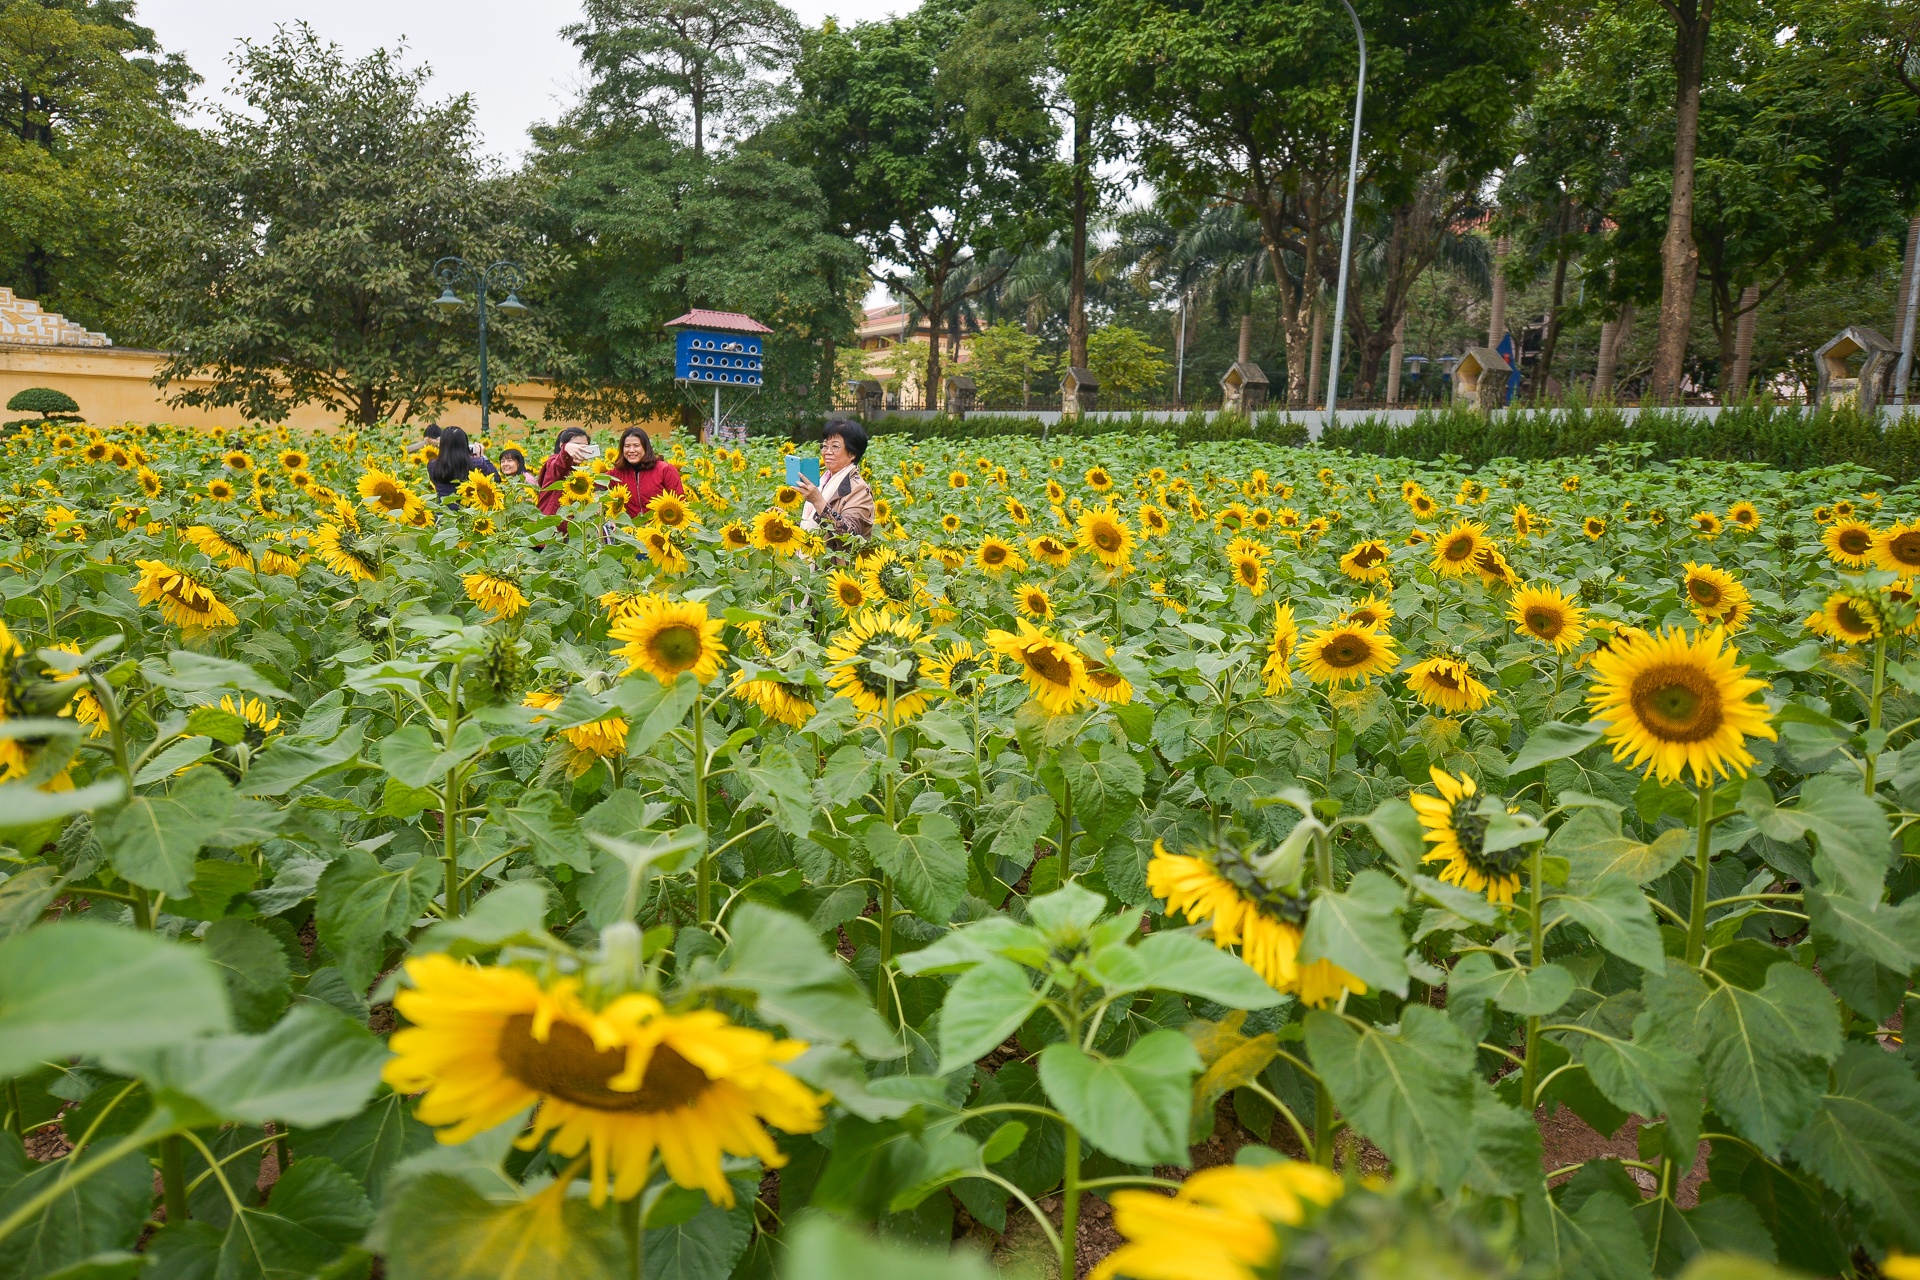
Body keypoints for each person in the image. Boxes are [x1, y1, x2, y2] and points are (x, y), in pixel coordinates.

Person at [795, 419, 874, 540]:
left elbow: (850, 535)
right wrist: (785, 523)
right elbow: (812, 530)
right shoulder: (823, 481)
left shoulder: (859, 489)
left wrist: (818, 501)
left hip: (833, 559)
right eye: (825, 446)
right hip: (812, 557)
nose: (827, 452)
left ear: (852, 453)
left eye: (835, 446)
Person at [606, 427, 685, 517]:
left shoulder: (665, 470)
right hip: (629, 528)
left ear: (645, 447)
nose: (631, 450)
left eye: (636, 445)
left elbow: (680, 502)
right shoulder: (616, 474)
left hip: (660, 528)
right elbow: (596, 486)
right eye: (627, 446)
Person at [536, 427, 593, 517]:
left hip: (572, 526)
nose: (580, 450)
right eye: (576, 445)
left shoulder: (582, 472)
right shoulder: (553, 462)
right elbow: (559, 465)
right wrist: (566, 450)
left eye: (585, 447)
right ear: (561, 445)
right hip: (550, 523)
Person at [426, 425, 497, 499]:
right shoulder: (477, 463)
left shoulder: (432, 465)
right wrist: (483, 457)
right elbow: (495, 479)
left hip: (444, 509)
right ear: (465, 444)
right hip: (469, 509)